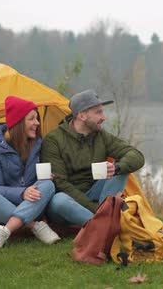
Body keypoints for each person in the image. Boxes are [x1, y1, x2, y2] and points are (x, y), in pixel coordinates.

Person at [41, 89, 145, 226]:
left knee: (122, 168)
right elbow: (60, 184)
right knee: (59, 200)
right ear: (82, 115)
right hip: (68, 203)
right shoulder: (54, 140)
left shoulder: (101, 136)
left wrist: (116, 168)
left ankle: (100, 222)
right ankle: (105, 223)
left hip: (98, 197)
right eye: (98, 112)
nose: (103, 117)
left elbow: (136, 156)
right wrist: (93, 208)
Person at [0, 95, 61, 249]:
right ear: (18, 122)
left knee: (47, 184)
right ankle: (34, 225)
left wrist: (44, 178)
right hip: (3, 204)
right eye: (32, 119)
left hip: (31, 201)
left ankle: (5, 230)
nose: (37, 123)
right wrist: (22, 193)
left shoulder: (37, 143)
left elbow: (37, 182)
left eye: (37, 118)